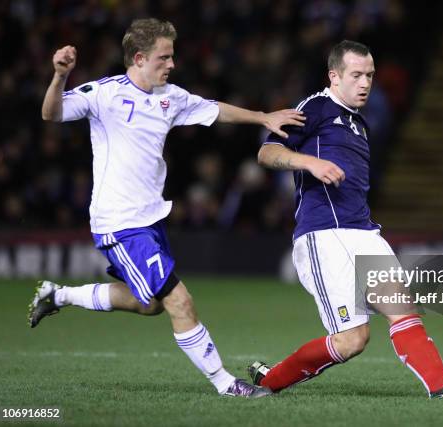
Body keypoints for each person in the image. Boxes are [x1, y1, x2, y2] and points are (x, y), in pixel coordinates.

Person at [28, 18, 305, 398]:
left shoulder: (169, 97)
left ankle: (57, 296)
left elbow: (214, 110)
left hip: (150, 219)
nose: (172, 64)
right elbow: (51, 113)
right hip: (120, 222)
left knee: (150, 306)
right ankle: (227, 385)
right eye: (165, 57)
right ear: (139, 58)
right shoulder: (104, 94)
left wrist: (262, 117)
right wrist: (59, 76)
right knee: (179, 300)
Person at [248, 40, 443, 400]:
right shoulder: (316, 107)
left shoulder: (358, 123)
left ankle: (442, 386)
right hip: (325, 233)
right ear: (334, 76)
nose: (365, 82)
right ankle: (269, 381)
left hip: (363, 231)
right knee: (353, 340)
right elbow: (267, 151)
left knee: (401, 305)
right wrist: (309, 162)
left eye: (370, 75)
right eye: (356, 75)